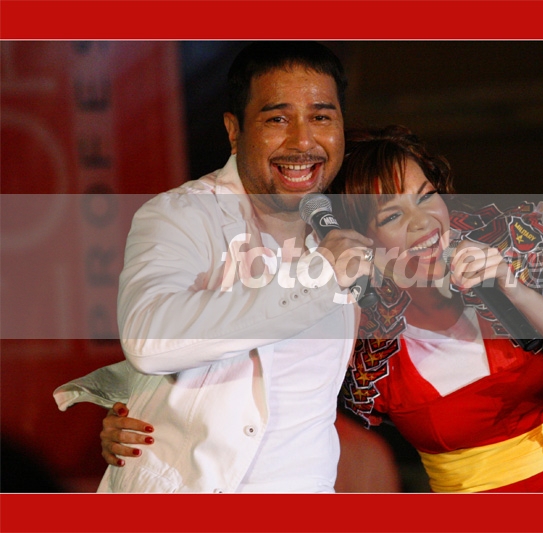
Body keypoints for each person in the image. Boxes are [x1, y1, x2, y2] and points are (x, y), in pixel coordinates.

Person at [95, 125, 543, 492]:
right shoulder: (357, 337)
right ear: (360, 238)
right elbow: (243, 371)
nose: (424, 223)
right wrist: (137, 418)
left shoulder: (506, 267)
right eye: (391, 215)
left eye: (426, 196)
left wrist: (513, 287)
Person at [53, 41, 378, 493]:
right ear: (234, 130)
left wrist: (135, 397)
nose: (303, 141)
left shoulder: (346, 229)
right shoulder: (181, 215)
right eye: (277, 119)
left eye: (321, 118)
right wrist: (318, 279)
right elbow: (151, 338)